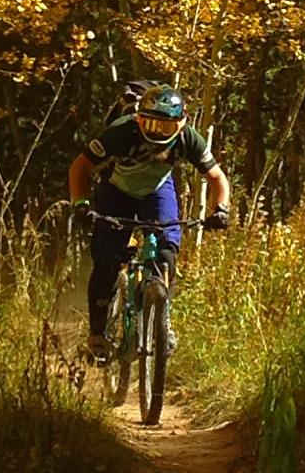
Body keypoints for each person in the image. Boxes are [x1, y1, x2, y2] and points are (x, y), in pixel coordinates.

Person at [67, 82, 231, 359]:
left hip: (156, 192)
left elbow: (217, 177)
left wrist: (222, 209)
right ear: (138, 119)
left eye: (165, 128)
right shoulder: (120, 132)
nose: (155, 134)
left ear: (181, 124)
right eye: (149, 124)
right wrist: (81, 204)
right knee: (107, 260)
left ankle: (163, 322)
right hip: (115, 191)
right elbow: (80, 166)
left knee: (167, 253)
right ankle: (97, 333)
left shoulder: (189, 138)